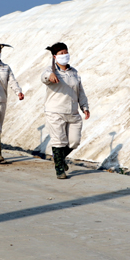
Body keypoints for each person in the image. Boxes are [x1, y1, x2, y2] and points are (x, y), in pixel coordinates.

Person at [41, 42, 90, 179]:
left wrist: (84, 107)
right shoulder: (50, 70)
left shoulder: (74, 72)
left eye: (66, 52)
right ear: (55, 56)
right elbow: (44, 77)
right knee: (59, 141)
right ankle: (60, 170)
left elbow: (80, 92)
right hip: (55, 111)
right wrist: (50, 76)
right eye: (61, 53)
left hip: (73, 112)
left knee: (74, 141)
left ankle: (59, 159)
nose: (64, 55)